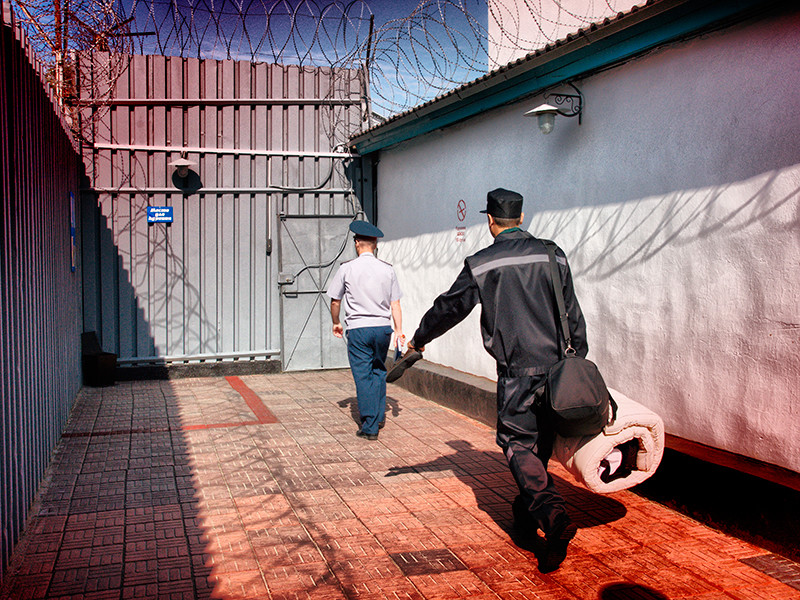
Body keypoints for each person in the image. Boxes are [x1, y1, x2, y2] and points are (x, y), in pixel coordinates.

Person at [407, 188, 587, 572]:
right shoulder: (553, 254)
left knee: (517, 444)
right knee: (537, 449)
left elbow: (449, 308)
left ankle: (552, 515)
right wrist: (577, 363)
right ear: (521, 218)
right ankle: (525, 514)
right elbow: (572, 313)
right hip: (559, 373)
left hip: (518, 375)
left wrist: (420, 338)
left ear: (490, 221)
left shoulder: (482, 263)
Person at [327, 220, 404, 441]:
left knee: (363, 375)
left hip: (359, 329)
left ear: (357, 243)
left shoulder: (347, 268)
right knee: (378, 371)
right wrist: (399, 331)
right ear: (375, 243)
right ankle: (378, 417)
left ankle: (370, 426)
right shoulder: (387, 269)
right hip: (383, 329)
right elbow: (395, 304)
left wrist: (336, 322)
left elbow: (335, 300)